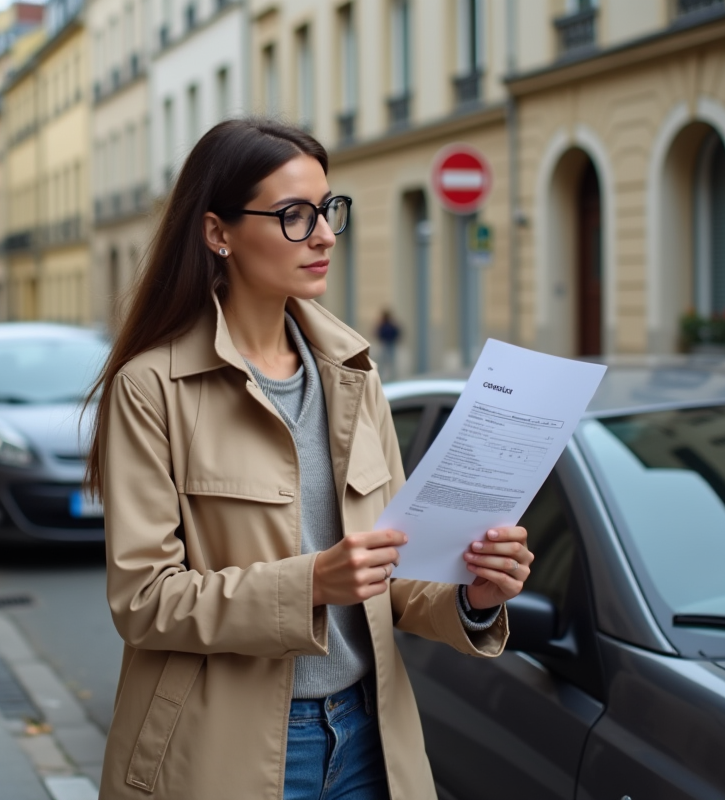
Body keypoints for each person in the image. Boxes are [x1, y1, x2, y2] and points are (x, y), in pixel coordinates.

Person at [85, 119, 533, 800]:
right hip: (223, 751)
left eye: (328, 210)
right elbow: (145, 602)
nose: (325, 234)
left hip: (366, 737)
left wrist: (473, 595)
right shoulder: (152, 387)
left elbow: (395, 575)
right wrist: (312, 584)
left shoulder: (354, 373)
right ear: (218, 234)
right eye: (295, 215)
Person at [375, 309, 401, 382]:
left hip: (390, 344)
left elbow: (397, 333)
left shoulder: (390, 325)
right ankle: (382, 376)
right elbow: (378, 333)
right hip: (385, 344)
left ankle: (392, 377)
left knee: (390, 361)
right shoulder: (383, 325)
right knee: (383, 361)